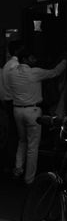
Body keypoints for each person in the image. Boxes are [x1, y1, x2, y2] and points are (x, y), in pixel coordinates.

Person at [9, 48, 67, 184]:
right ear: (25, 59)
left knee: (22, 140)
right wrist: (65, 60)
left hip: (17, 110)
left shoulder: (11, 74)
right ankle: (29, 179)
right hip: (33, 111)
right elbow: (55, 72)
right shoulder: (34, 73)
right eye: (32, 58)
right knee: (32, 146)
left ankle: (18, 169)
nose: (35, 60)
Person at [0, 40, 24, 173]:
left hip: (7, 101)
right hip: (14, 102)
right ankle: (13, 164)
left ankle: (8, 164)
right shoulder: (16, 66)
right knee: (16, 136)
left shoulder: (7, 65)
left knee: (11, 134)